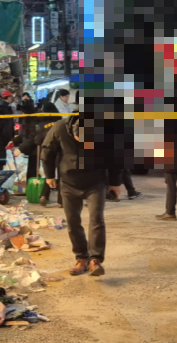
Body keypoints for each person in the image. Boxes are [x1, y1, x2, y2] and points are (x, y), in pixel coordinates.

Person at [41, 115, 122, 277]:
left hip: (95, 181)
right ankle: (82, 258)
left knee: (96, 219)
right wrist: (49, 175)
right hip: (69, 181)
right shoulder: (60, 127)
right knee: (72, 221)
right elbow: (47, 150)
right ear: (73, 132)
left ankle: (95, 260)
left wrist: (115, 182)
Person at [33, 102, 62, 207]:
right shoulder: (60, 122)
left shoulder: (41, 125)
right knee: (61, 175)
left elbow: (37, 140)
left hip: (46, 152)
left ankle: (44, 196)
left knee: (49, 175)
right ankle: (60, 201)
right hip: (60, 151)